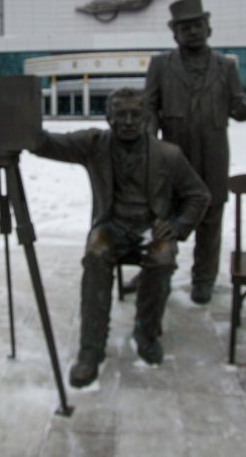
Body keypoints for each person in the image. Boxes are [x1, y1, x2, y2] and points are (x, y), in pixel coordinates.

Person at [32, 88, 210, 388]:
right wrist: (21, 122)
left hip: (151, 227)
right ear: (109, 118)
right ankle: (91, 349)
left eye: (135, 115)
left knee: (163, 258)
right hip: (112, 226)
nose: (128, 121)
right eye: (121, 115)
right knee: (96, 255)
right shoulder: (94, 144)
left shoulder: (168, 154)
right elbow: (48, 144)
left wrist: (178, 227)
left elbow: (198, 195)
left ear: (146, 118)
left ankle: (146, 332)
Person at [145, 0, 246, 304]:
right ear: (173, 31)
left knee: (210, 219)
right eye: (185, 27)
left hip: (213, 156)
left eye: (197, 25)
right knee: (165, 216)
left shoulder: (225, 67)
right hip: (173, 157)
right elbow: (149, 107)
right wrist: (150, 141)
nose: (192, 32)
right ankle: (155, 272)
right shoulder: (160, 65)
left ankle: (203, 279)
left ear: (209, 28)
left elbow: (239, 109)